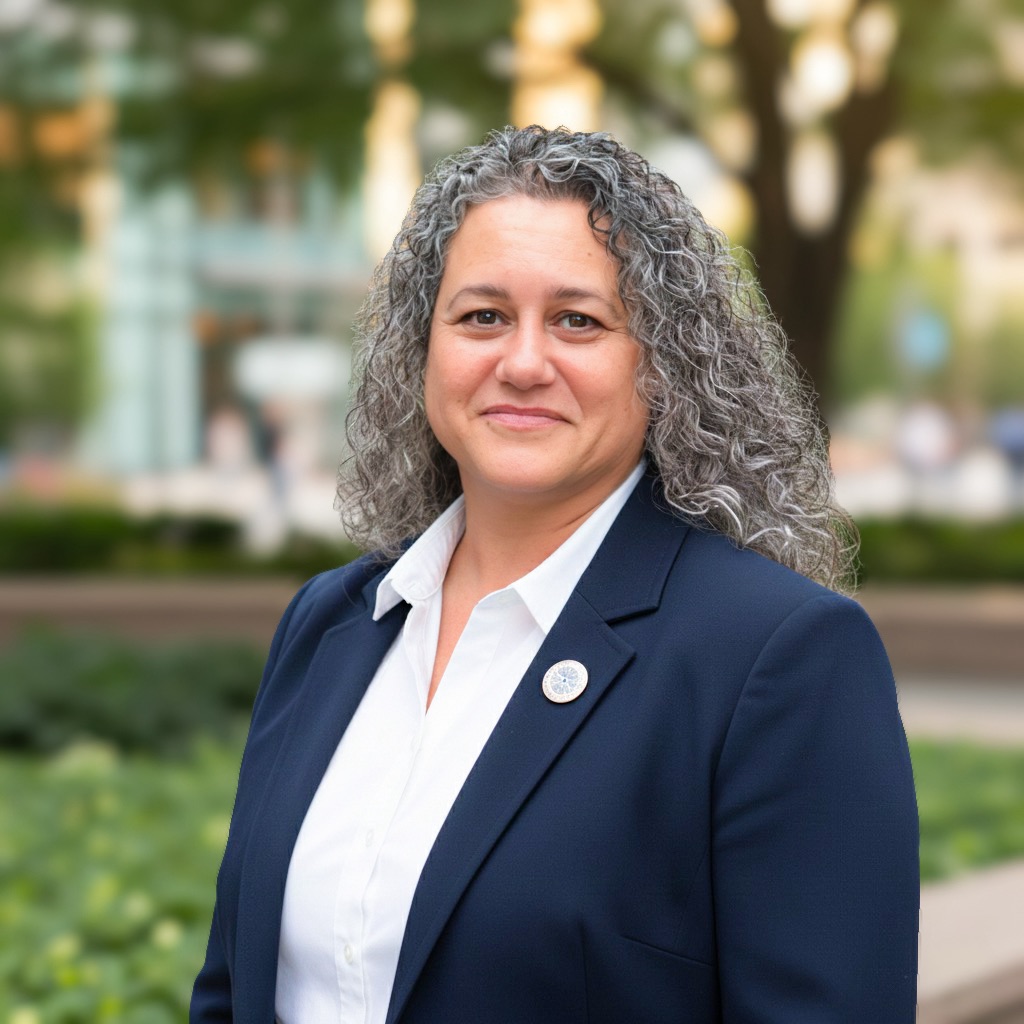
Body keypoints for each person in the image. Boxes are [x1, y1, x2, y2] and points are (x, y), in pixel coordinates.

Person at [192, 125, 918, 1023]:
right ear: (423, 353)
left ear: (662, 364)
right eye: (481, 316)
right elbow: (232, 990)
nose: (523, 362)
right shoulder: (330, 625)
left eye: (578, 320)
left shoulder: (779, 658)